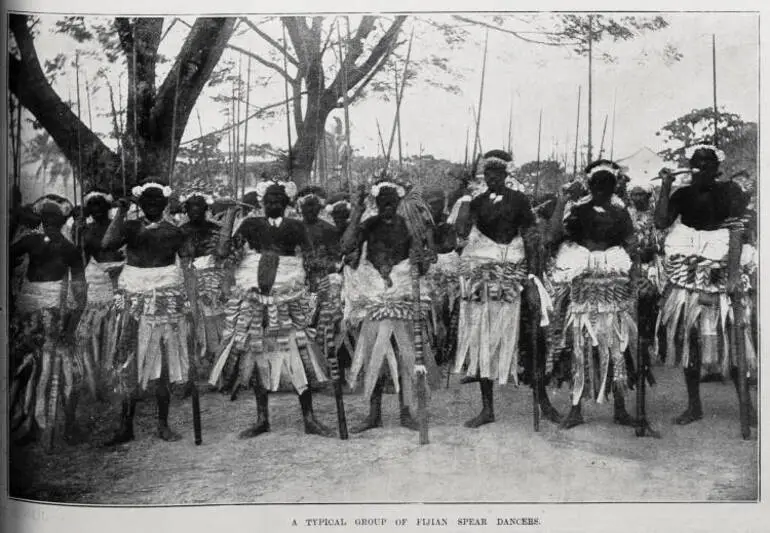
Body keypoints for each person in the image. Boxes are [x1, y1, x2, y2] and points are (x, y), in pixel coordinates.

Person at [209, 180, 334, 438]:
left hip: (289, 296)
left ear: (287, 203)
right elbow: (225, 252)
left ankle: (309, 417)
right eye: (269, 200)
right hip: (254, 296)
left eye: (279, 200)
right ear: (262, 202)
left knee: (297, 350)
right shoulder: (250, 224)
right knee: (256, 352)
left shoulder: (296, 226)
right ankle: (261, 418)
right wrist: (230, 215)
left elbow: (311, 258)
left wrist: (317, 283)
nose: (274, 204)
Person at [452, 149, 557, 428]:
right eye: (488, 174)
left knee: (532, 335)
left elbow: (531, 236)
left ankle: (543, 401)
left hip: (515, 273)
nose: (492, 178)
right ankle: (488, 409)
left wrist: (534, 277)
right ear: (483, 176)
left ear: (505, 175)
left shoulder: (519, 200)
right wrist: (464, 199)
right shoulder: (476, 202)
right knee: (482, 334)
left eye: (497, 173)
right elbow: (461, 233)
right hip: (484, 277)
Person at [654, 144, 757, 425]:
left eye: (706, 164)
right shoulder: (682, 194)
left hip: (725, 271)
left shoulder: (729, 191)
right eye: (696, 163)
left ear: (716, 168)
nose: (700, 168)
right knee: (690, 340)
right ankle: (694, 406)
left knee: (734, 339)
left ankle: (747, 406)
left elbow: (737, 230)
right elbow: (661, 221)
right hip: (688, 275)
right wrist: (666, 186)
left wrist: (735, 276)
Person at [101, 179, 195, 445]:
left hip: (166, 302)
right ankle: (125, 426)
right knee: (129, 361)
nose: (153, 205)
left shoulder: (174, 231)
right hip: (133, 300)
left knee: (164, 362)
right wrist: (120, 211)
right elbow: (108, 244)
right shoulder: (129, 227)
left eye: (158, 201)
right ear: (139, 204)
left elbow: (188, 255)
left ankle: (163, 424)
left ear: (166, 204)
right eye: (147, 201)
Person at [548, 160, 640, 430]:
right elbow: (555, 237)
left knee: (617, 345)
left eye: (607, 184)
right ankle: (576, 408)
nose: (601, 188)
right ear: (589, 185)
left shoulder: (622, 213)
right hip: (584, 287)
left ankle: (620, 408)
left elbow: (632, 246)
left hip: (614, 288)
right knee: (581, 346)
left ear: (615, 186)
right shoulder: (577, 210)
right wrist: (563, 200)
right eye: (596, 183)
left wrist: (636, 278)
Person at [340, 178, 434, 433]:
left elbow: (423, 264)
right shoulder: (369, 225)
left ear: (399, 202)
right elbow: (346, 246)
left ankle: (406, 412)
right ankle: (374, 415)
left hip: (402, 294)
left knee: (406, 355)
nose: (388, 207)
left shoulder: (408, 227)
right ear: (377, 203)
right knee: (374, 354)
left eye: (392, 202)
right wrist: (357, 211)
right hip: (374, 295)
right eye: (383, 202)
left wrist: (419, 259)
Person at [9, 195, 87, 444]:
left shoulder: (70, 249)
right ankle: (29, 422)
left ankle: (64, 425)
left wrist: (71, 326)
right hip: (29, 317)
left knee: (65, 374)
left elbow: (81, 293)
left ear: (63, 221)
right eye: (47, 219)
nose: (51, 224)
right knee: (27, 370)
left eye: (56, 219)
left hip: (55, 317)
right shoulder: (32, 241)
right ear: (42, 220)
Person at [72, 189, 126, 401]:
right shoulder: (85, 229)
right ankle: (94, 381)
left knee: (116, 327)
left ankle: (115, 378)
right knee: (91, 332)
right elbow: (80, 257)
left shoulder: (119, 226)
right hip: (95, 279)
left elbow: (131, 250)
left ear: (107, 206)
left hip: (120, 275)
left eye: (100, 204)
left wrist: (122, 268)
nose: (96, 209)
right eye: (92, 205)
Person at [179, 191, 226, 377]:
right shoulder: (180, 231)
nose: (196, 210)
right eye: (192, 206)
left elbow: (223, 254)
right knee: (193, 322)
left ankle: (220, 367)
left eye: (200, 206)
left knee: (217, 322)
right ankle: (195, 368)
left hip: (214, 280)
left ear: (206, 208)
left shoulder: (216, 228)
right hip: (190, 280)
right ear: (186, 209)